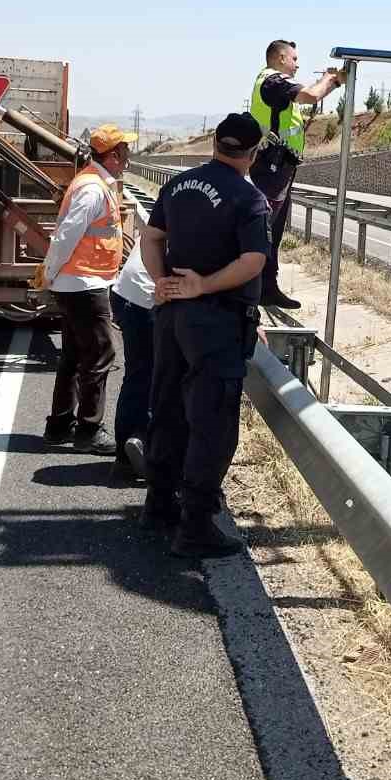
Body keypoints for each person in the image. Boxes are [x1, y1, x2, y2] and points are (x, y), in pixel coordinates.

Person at [139, 112, 271, 558]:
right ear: (253, 153)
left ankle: (158, 503)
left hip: (171, 316)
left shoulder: (177, 185)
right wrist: (205, 285)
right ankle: (195, 525)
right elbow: (253, 261)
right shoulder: (248, 197)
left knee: (169, 406)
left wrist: (161, 282)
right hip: (215, 321)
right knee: (211, 422)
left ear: (215, 143)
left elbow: (151, 237)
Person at [41, 123, 136, 455]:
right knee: (99, 354)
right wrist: (49, 272)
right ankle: (89, 430)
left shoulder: (96, 183)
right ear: (111, 156)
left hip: (79, 281)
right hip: (83, 283)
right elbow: (66, 234)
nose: (128, 157)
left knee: (73, 354)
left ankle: (59, 425)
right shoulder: (93, 189)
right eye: (124, 151)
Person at [248, 40, 342, 308]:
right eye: (294, 58)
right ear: (280, 58)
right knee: (263, 230)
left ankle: (266, 288)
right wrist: (331, 80)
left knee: (272, 232)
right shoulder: (274, 81)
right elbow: (311, 96)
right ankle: (251, 290)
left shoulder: (272, 83)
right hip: (271, 167)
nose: (298, 64)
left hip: (279, 166)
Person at [110, 237, 155, 484]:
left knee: (137, 375)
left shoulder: (177, 199)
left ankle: (124, 457)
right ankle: (142, 442)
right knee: (161, 377)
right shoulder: (211, 209)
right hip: (148, 297)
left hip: (126, 292)